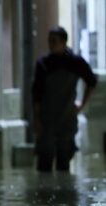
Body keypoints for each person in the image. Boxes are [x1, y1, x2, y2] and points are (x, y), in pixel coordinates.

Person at [32, 26, 97, 172]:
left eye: (54, 41)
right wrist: (36, 119)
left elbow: (92, 81)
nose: (50, 44)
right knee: (44, 162)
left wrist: (82, 105)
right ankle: (44, 193)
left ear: (64, 42)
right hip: (47, 118)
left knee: (64, 161)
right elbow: (36, 93)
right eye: (49, 41)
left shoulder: (75, 62)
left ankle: (64, 193)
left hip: (67, 118)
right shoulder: (43, 64)